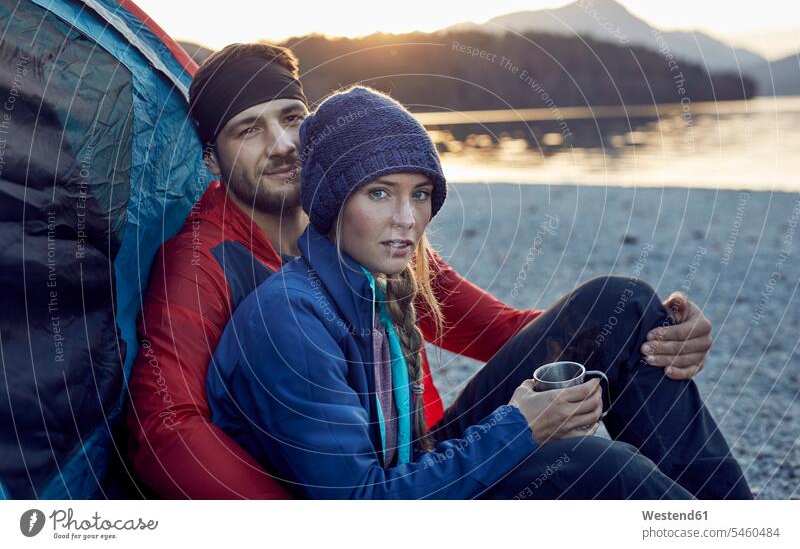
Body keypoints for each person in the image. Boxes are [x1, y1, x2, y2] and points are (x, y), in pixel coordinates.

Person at [126, 42, 730, 499]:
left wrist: (658, 332)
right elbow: (165, 430)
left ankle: (729, 519)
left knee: (619, 307)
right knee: (597, 471)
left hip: (423, 453)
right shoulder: (202, 263)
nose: (283, 144)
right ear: (211, 156)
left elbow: (493, 326)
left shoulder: (361, 222)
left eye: (292, 116)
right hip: (353, 488)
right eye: (248, 130)